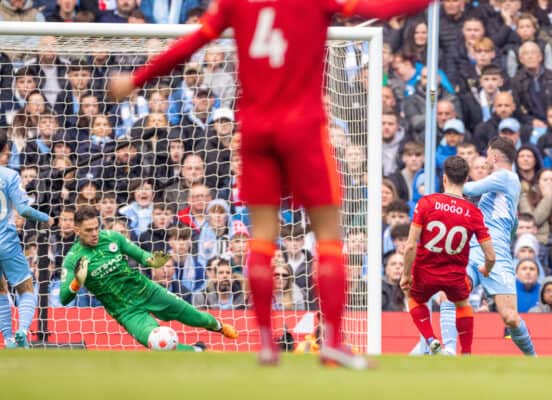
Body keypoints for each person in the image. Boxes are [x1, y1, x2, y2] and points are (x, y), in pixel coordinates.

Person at [109, 0, 434, 368]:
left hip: (257, 131)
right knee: (328, 236)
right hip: (304, 128)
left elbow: (192, 43)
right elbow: (382, 7)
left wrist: (136, 79)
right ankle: (333, 343)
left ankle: (265, 343)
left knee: (262, 237)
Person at [59, 205, 238, 351]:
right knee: (158, 344)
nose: (94, 233)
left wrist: (154, 261)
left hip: (147, 291)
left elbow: (142, 256)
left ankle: (218, 326)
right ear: (77, 230)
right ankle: (199, 351)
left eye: (96, 228)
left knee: (197, 318)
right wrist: (77, 282)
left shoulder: (113, 238)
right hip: (126, 311)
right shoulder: (73, 259)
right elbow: (64, 298)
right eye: (88, 230)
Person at [442, 137, 537, 356]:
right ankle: (447, 350)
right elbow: (513, 224)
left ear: (494, 156)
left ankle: (534, 358)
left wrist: (450, 182)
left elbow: (469, 188)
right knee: (449, 293)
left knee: (510, 317)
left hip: (497, 257)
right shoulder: (503, 192)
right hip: (474, 251)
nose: (485, 159)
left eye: (487, 155)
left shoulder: (505, 177)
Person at [401, 156, 494, 355]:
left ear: (444, 179)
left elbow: (410, 246)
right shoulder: (473, 212)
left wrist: (406, 275)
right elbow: (491, 255)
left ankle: (431, 339)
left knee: (413, 297)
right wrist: (487, 268)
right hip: (454, 275)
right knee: (462, 304)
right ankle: (467, 352)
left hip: (425, 272)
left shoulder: (426, 203)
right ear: (467, 180)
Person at [0, 131, 53, 348]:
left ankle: (8, 339)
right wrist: (46, 218)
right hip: (6, 241)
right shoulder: (10, 175)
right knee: (26, 287)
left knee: (1, 289)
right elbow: (22, 209)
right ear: (4, 151)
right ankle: (22, 329)